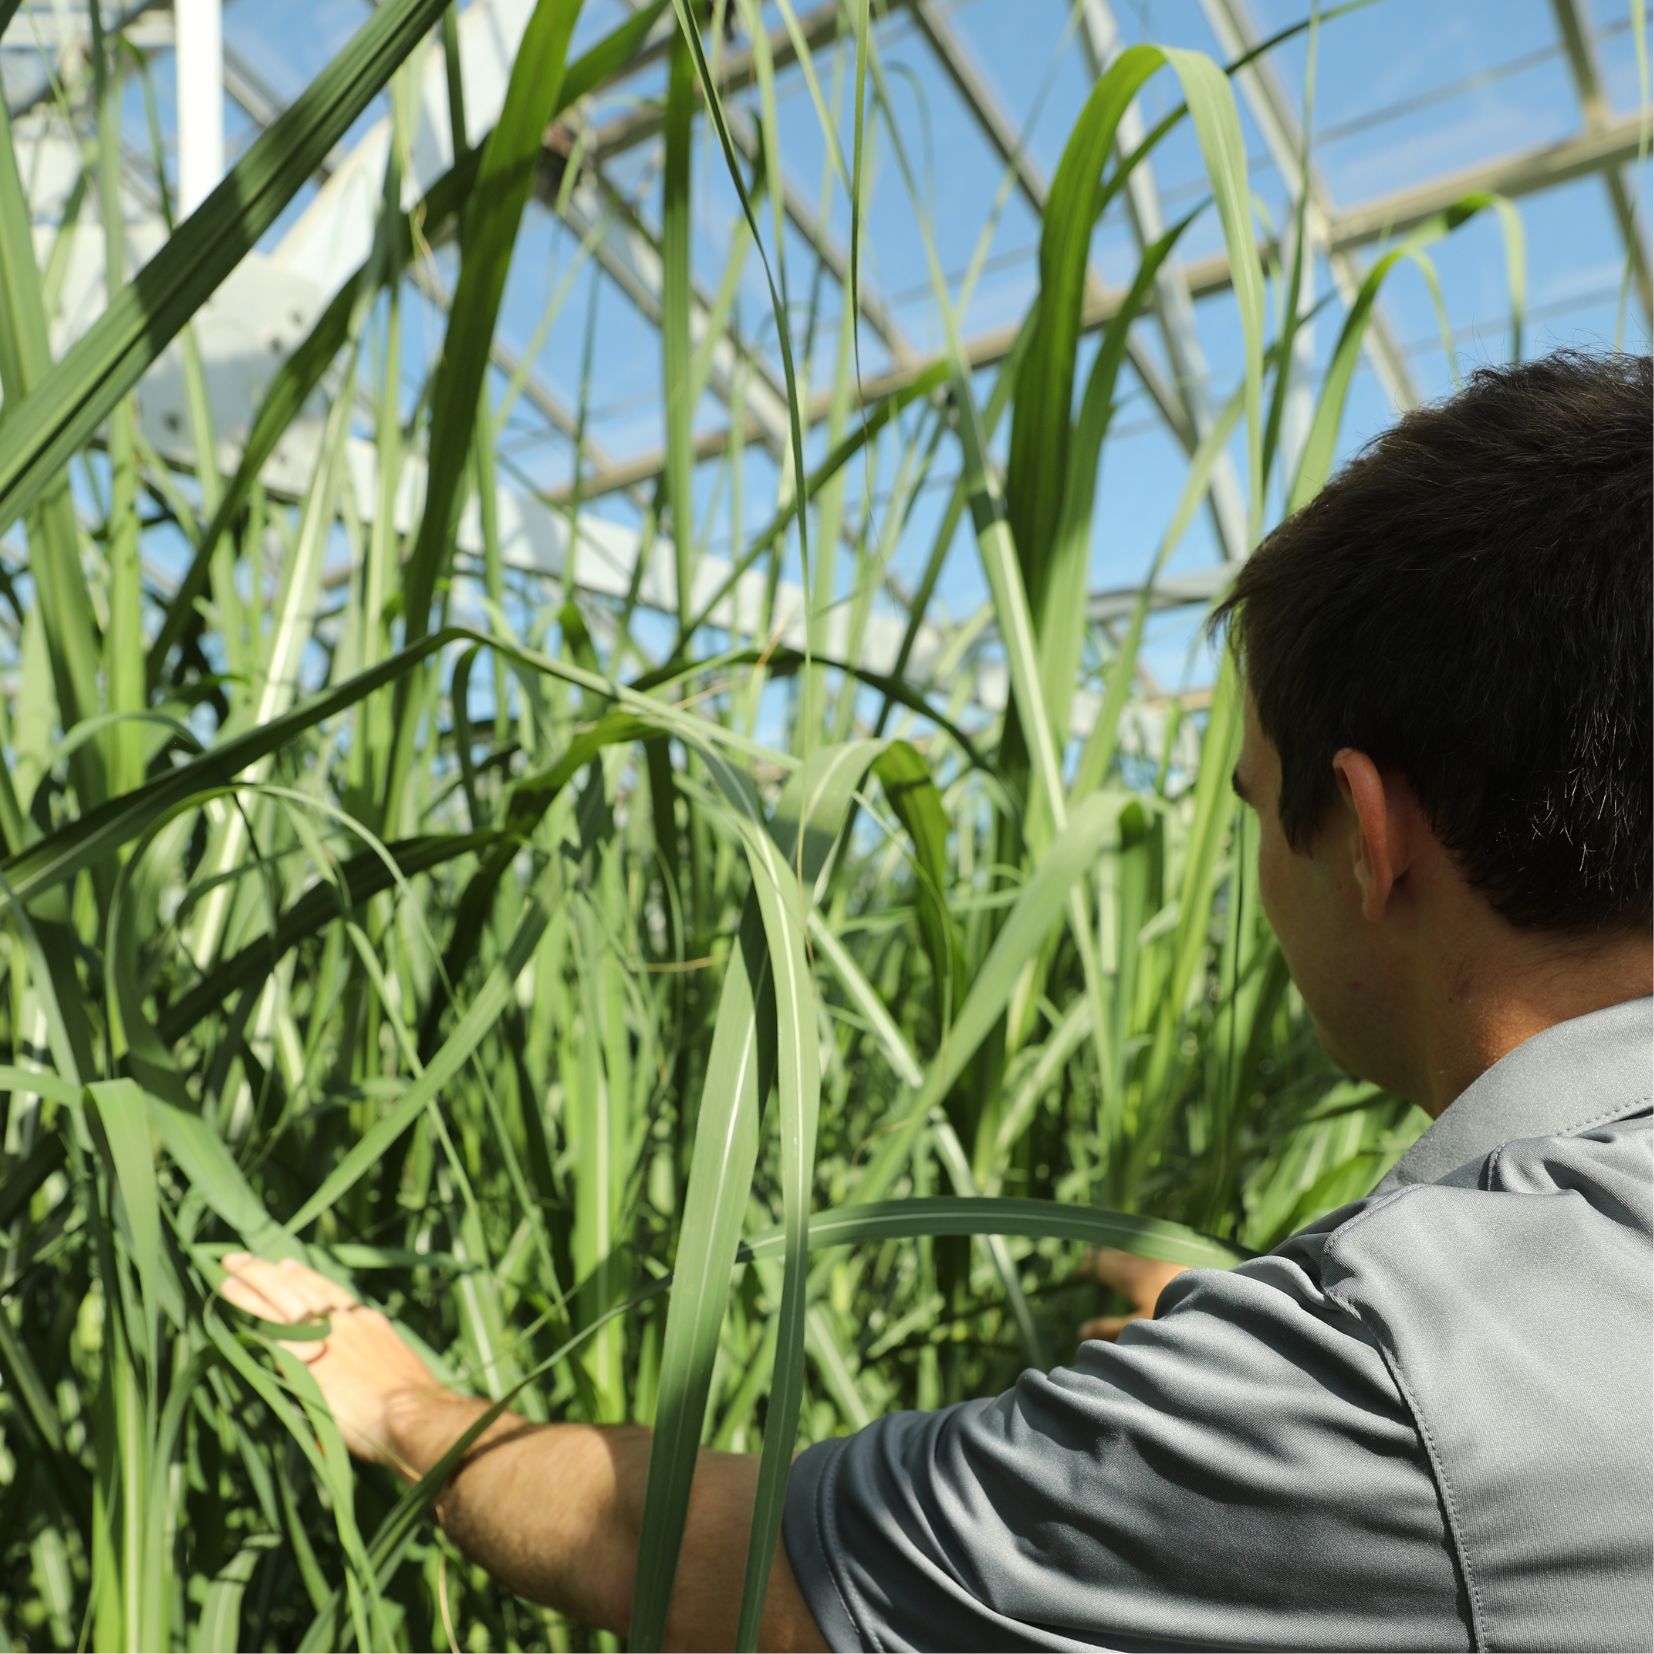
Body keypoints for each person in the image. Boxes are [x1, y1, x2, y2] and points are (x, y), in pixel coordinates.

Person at [220, 348, 1653, 1651]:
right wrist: (1255, 1376)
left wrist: (410, 1412)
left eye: (1255, 806)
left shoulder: (1396, 1385)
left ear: (1363, 835)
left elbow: (758, 1579)